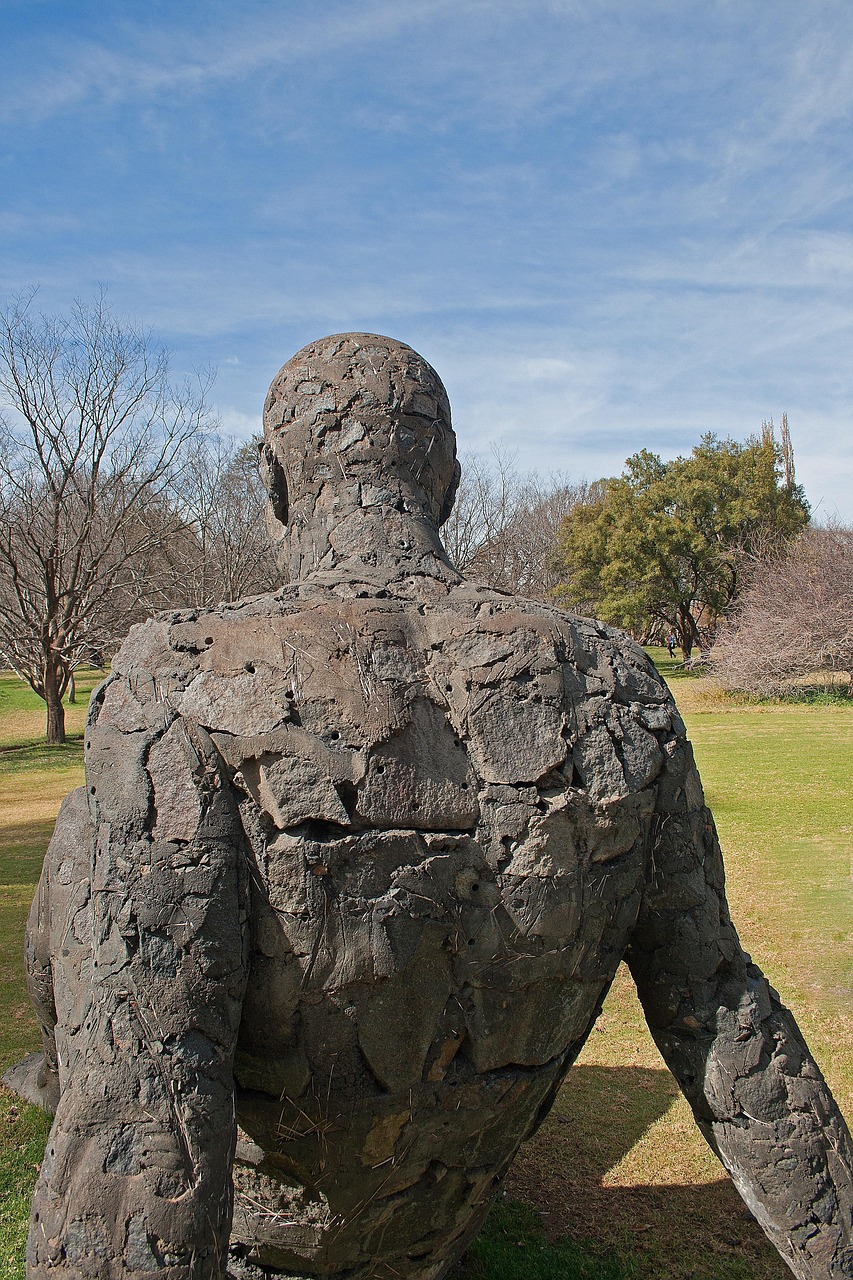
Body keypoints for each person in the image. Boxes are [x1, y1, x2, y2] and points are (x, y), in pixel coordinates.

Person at [14, 334, 853, 1280]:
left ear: (275, 484)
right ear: (448, 478)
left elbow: (141, 1107)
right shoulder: (614, 682)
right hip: (435, 1219)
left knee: (91, 863)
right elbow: (722, 1011)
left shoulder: (181, 677)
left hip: (273, 1224)